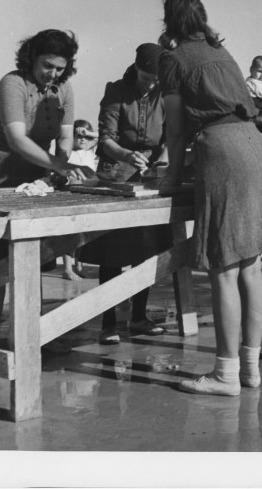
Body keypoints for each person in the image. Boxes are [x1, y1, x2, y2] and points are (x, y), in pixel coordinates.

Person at [159, 0, 262, 396]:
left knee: (223, 267)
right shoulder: (221, 51)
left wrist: (170, 177)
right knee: (251, 267)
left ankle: (225, 375)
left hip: (223, 152)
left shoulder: (174, 59)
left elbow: (176, 130)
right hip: (255, 148)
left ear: (170, 22)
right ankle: (249, 369)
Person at [0, 29, 95, 347]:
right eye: (47, 65)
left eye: (60, 68)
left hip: (37, 178)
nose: (53, 73)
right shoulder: (12, 83)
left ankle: (30, 337)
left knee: (33, 256)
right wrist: (60, 165)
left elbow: (65, 135)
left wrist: (60, 167)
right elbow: (17, 139)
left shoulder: (63, 89)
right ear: (32, 58)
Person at [76, 44, 172, 344]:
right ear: (136, 70)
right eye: (146, 78)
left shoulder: (164, 94)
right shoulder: (116, 90)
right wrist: (127, 155)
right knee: (112, 252)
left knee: (146, 250)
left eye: (156, 80)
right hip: (116, 173)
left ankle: (139, 317)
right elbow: (105, 139)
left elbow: (171, 136)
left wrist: (162, 160)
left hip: (150, 177)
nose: (151, 84)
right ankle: (109, 323)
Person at [61, 119, 99, 281]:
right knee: (69, 234)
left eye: (86, 137)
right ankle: (67, 268)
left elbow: (101, 138)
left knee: (82, 234)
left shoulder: (90, 152)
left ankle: (79, 266)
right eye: (79, 136)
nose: (83, 139)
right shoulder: (68, 153)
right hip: (71, 197)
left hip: (86, 196)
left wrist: (89, 133)